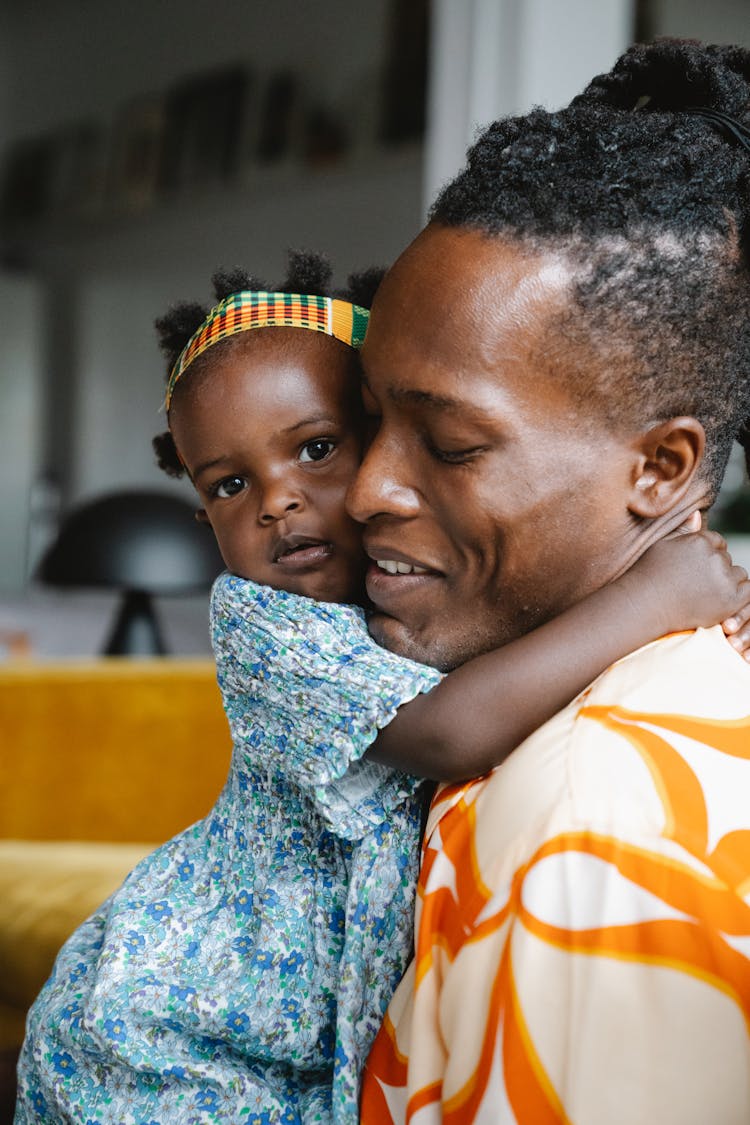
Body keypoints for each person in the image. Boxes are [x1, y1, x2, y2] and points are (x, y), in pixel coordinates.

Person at [14, 239, 749, 1125]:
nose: (277, 501)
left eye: (318, 448)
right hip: (178, 1032)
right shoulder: (265, 622)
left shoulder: (412, 585)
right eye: (231, 483)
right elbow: (444, 731)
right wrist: (655, 595)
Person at [352, 38, 750, 1124]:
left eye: (450, 444)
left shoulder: (591, 826)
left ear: (659, 468)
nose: (364, 492)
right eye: (366, 420)